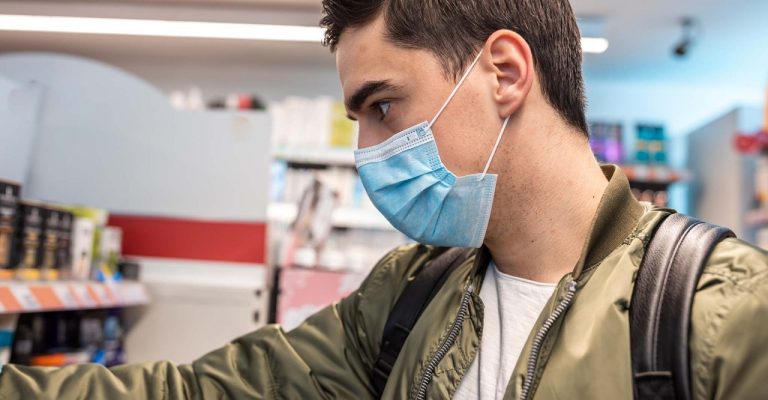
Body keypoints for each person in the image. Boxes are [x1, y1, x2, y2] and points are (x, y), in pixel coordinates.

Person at [2, 0, 767, 399]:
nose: (367, 152)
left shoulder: (720, 319)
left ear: (503, 72)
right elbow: (202, 390)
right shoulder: (408, 297)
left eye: (383, 107)